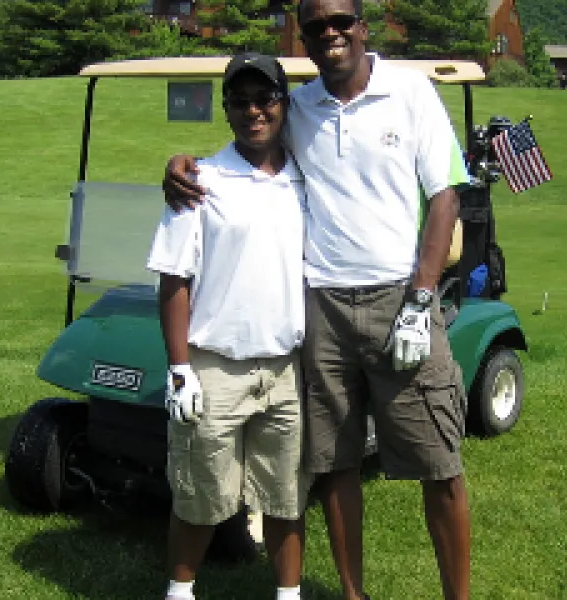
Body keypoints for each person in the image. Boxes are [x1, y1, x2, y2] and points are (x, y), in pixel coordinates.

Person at [163, 1, 472, 598]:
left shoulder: (410, 94)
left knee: (439, 460)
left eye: (340, 22)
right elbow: (245, 141)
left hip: (400, 300)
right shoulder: (298, 105)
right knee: (334, 463)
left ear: (362, 27)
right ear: (303, 38)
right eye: (315, 28)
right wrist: (182, 165)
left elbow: (444, 198)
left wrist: (421, 295)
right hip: (321, 307)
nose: (329, 34)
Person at [147, 53, 309, 600]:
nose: (253, 111)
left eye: (265, 99)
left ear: (284, 105)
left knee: (286, 496)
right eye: (240, 102)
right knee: (200, 496)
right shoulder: (200, 181)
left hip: (286, 367)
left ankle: (288, 595)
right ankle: (180, 591)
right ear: (226, 109)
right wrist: (179, 369)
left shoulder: (307, 178)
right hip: (215, 366)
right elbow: (175, 280)